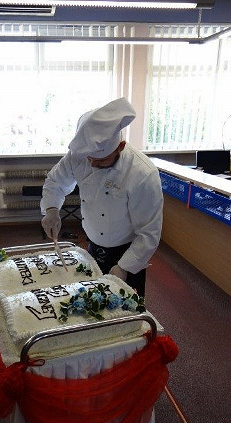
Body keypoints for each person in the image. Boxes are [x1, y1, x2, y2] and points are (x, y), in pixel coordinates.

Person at [40, 97, 163, 297]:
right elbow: (56, 182)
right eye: (90, 159)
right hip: (93, 245)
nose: (93, 165)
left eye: (101, 160)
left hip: (128, 251)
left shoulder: (142, 174)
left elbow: (149, 233)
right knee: (92, 302)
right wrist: (52, 209)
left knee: (125, 309)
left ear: (120, 147)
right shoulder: (79, 155)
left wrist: (124, 267)